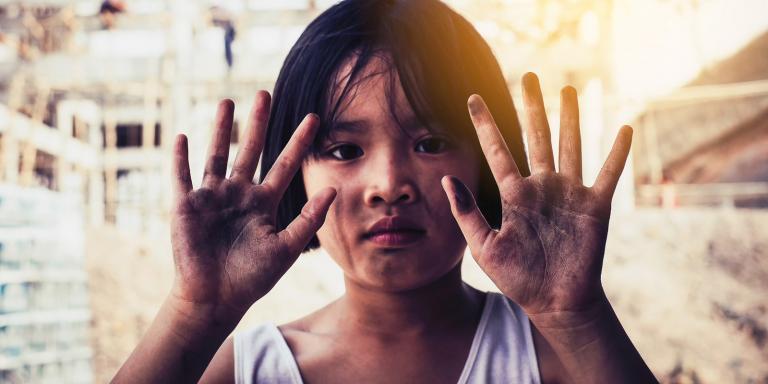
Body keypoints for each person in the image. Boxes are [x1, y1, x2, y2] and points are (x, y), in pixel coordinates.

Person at [114, 1, 657, 383]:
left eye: (432, 141)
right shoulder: (248, 371)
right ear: (293, 172)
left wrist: (577, 316)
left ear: (489, 163)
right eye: (345, 151)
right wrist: (195, 311)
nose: (389, 186)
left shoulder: (560, 359)